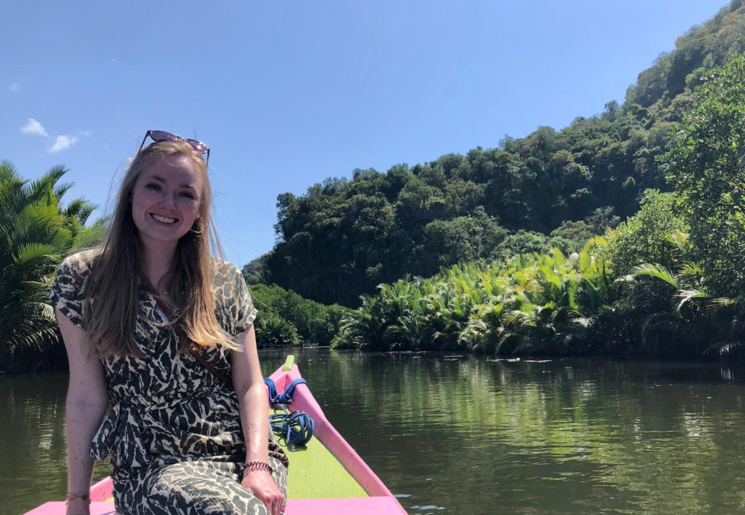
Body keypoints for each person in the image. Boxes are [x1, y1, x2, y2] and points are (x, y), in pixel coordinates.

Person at [50, 131, 288, 515]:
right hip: (150, 461)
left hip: (240, 453)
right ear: (131, 193)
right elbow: (85, 395)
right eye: (155, 186)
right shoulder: (82, 279)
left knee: (242, 506)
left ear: (199, 208)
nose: (168, 203)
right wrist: (77, 500)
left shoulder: (225, 281)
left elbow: (249, 384)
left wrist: (258, 465)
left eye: (185, 193)